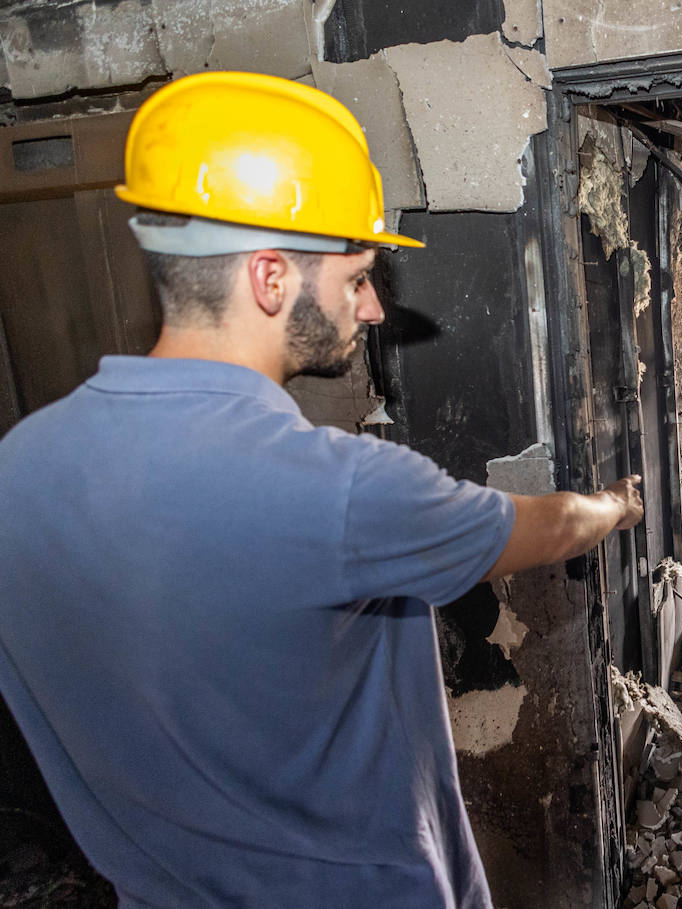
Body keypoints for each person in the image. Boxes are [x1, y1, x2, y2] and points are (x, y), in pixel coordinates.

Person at [0, 71, 641, 908]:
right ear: (270, 279)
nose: (372, 308)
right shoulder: (340, 490)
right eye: (356, 278)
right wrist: (620, 504)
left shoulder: (20, 468)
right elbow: (549, 527)